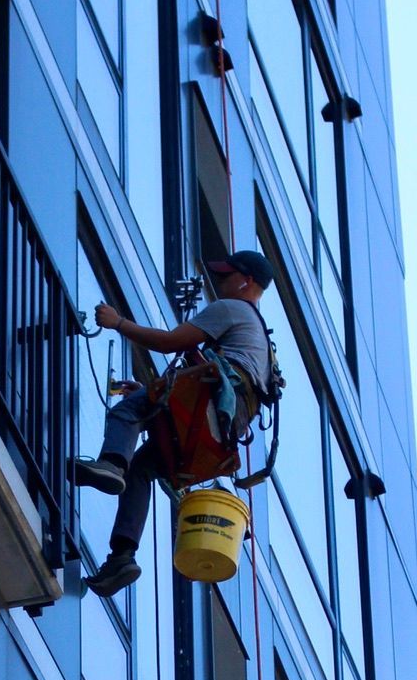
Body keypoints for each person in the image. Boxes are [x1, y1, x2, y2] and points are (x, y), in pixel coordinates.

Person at [74, 250, 278, 596]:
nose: (221, 282)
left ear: (247, 282)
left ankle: (110, 465)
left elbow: (170, 342)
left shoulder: (232, 309)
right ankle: (122, 557)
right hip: (222, 428)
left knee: (126, 412)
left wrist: (118, 322)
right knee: (141, 468)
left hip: (210, 401)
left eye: (228, 276)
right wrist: (152, 396)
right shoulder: (262, 340)